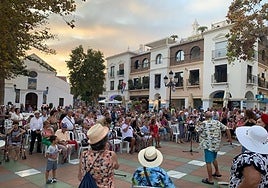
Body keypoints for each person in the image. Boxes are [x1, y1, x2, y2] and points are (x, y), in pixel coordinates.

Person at [78, 123, 119, 187]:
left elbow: (80, 177)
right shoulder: (110, 155)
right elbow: (116, 166)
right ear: (105, 141)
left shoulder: (84, 155)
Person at [198, 111, 232, 185]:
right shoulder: (217, 122)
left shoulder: (203, 123)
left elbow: (197, 130)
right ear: (212, 116)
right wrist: (230, 139)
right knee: (214, 158)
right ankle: (217, 171)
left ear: (205, 116)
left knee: (208, 162)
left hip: (208, 145)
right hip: (216, 144)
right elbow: (227, 129)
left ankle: (210, 179)